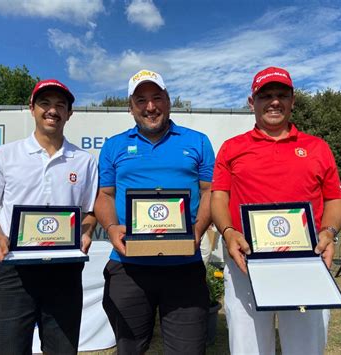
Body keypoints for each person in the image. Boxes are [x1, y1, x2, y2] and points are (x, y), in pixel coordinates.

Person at [210, 66, 341, 355]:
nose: (274, 101)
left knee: (305, 348)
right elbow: (219, 198)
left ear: (292, 100)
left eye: (281, 95)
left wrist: (329, 232)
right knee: (249, 349)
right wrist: (228, 231)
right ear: (252, 103)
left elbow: (335, 200)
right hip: (246, 262)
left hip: (305, 262)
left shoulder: (317, 147)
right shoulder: (232, 148)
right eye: (265, 95)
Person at [0, 79, 98, 355]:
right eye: (45, 103)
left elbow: (89, 212)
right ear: (32, 108)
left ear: (69, 113)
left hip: (64, 273)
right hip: (13, 271)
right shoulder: (4, 155)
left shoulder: (84, 161)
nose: (52, 110)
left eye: (60, 105)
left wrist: (87, 232)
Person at [95, 69, 215, 354]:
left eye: (157, 97)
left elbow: (211, 191)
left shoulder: (197, 141)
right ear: (130, 107)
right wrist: (112, 229)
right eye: (141, 100)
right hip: (128, 267)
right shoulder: (114, 145)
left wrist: (197, 231)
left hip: (184, 265)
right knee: (129, 349)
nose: (150, 107)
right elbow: (104, 195)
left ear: (169, 100)